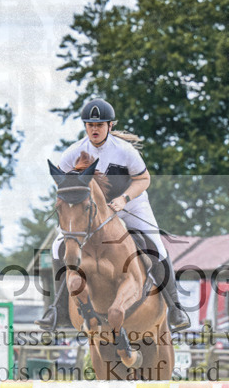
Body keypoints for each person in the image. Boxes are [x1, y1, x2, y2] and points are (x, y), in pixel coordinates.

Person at [36, 98, 191, 333]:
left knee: (156, 246)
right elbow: (66, 188)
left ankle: (175, 308)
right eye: (90, 125)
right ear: (85, 126)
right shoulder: (71, 154)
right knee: (59, 246)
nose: (94, 129)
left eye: (99, 125)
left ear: (109, 126)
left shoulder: (125, 151)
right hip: (89, 211)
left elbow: (144, 179)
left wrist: (124, 199)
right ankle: (58, 309)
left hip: (129, 204)